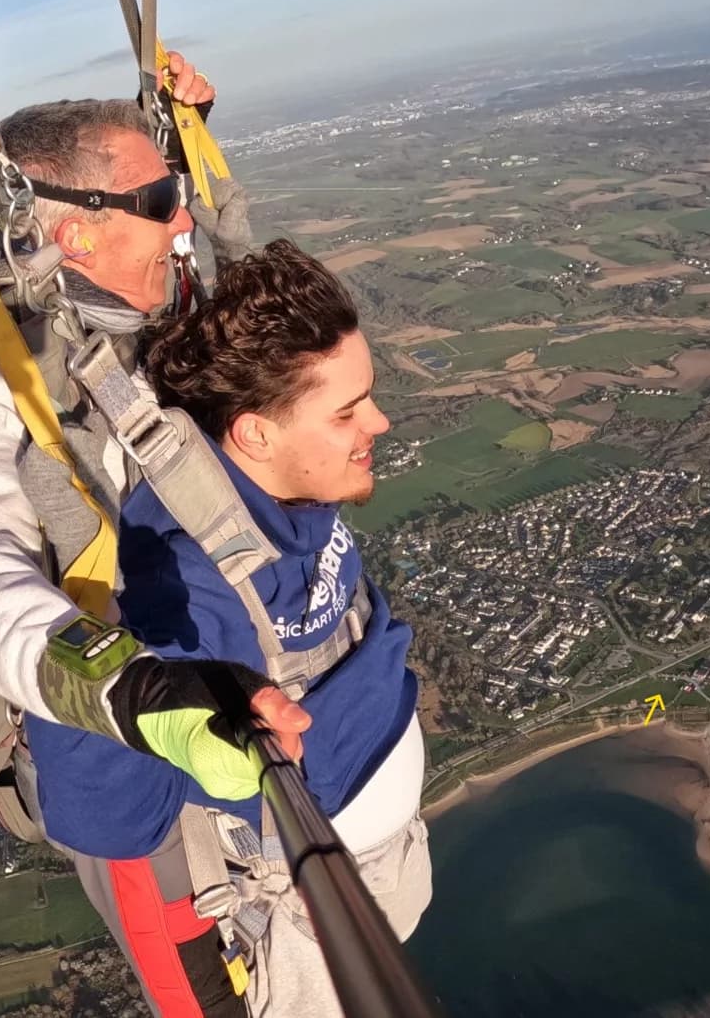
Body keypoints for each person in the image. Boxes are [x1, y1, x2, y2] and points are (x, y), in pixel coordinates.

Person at [0, 60, 315, 1016]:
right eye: (160, 197)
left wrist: (193, 140)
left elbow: (242, 312)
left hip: (240, 701)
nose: (182, 221)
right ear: (77, 231)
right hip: (136, 769)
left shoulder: (142, 317)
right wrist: (138, 692)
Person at [24, 240, 432, 1017]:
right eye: (347, 411)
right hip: (299, 920)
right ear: (254, 435)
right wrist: (139, 687)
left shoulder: (283, 482)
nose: (377, 421)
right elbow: (107, 812)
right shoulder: (189, 587)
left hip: (364, 878)